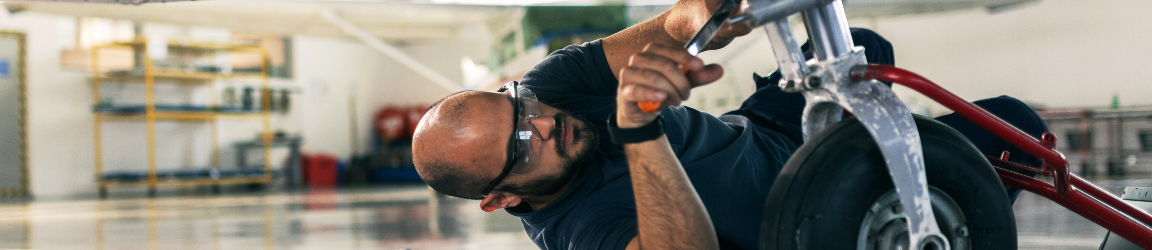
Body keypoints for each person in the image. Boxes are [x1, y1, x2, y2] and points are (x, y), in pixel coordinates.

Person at [411, 0, 1048, 249]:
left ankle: (886, 155)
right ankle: (886, 179)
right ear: (502, 198)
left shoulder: (547, 93)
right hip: (804, 219)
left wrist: (708, 12)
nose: (544, 123)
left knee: (859, 42)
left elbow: (671, 27)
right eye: (522, 142)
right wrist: (639, 130)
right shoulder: (578, 234)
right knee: (1014, 127)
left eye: (518, 106)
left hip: (766, 132)